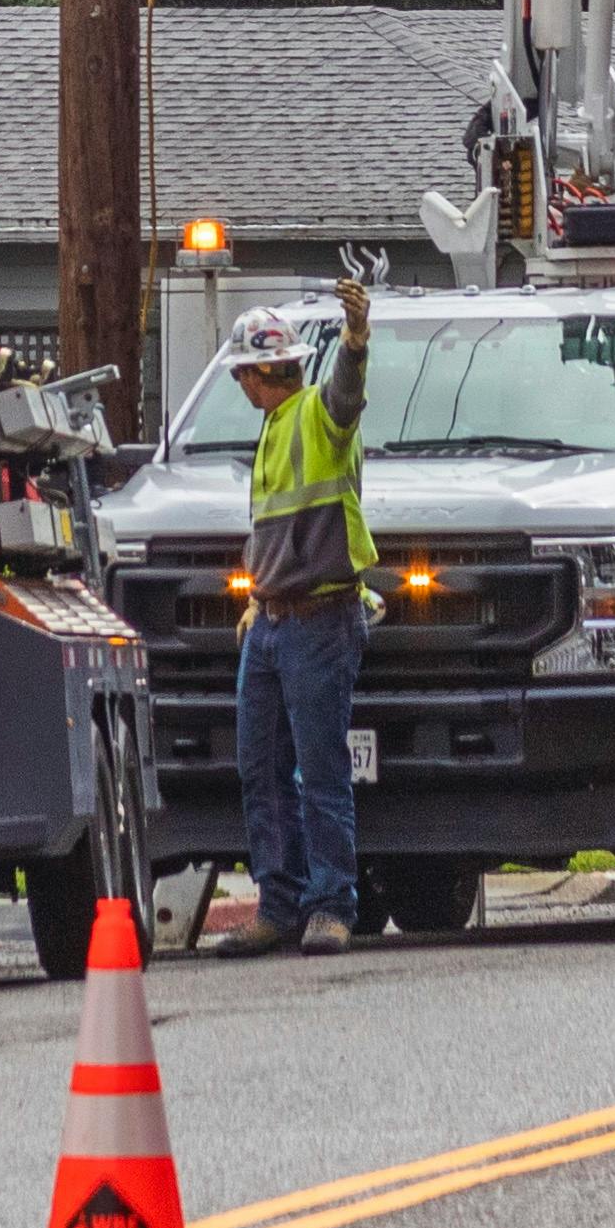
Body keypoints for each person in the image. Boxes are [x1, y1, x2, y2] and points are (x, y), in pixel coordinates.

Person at [217, 277, 374, 957]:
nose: (241, 387)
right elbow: (276, 533)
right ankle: (278, 905)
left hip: (317, 622)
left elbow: (344, 399)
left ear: (254, 375)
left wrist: (356, 340)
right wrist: (258, 600)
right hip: (275, 624)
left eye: (241, 375)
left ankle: (330, 906)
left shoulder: (314, 415)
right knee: (262, 770)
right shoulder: (274, 431)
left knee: (319, 771)